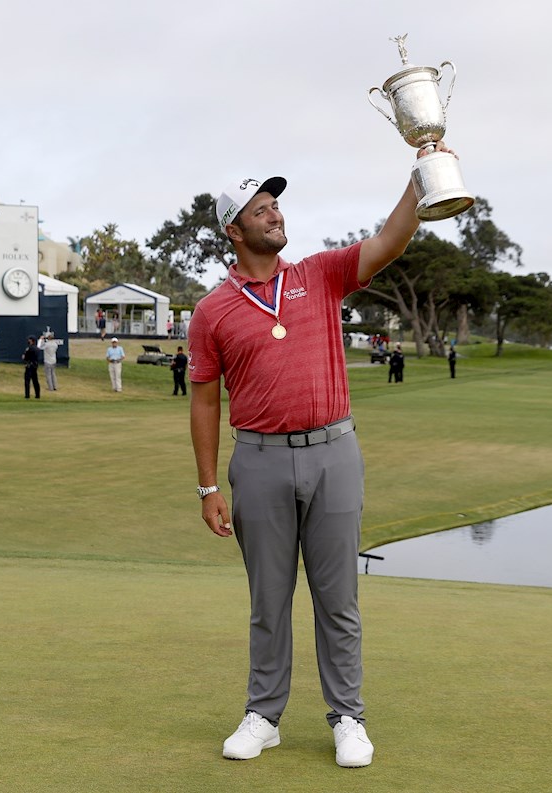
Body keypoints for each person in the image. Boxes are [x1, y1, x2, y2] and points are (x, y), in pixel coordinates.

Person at [189, 148, 452, 769]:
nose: (275, 215)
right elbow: (203, 402)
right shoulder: (211, 311)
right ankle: (264, 715)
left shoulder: (320, 273)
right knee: (269, 600)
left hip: (334, 452)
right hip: (259, 460)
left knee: (338, 599)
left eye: (276, 205)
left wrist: (421, 178)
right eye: (261, 209)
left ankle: (348, 718)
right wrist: (207, 487)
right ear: (234, 230)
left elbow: (388, 242)